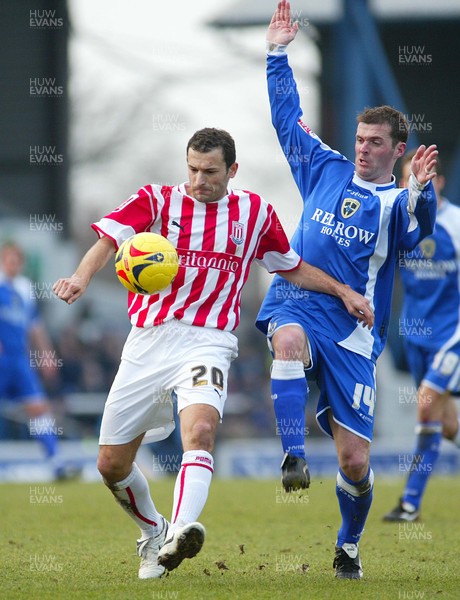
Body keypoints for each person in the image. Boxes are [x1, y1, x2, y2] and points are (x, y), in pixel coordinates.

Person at [53, 127, 373, 580]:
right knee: (110, 464)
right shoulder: (158, 200)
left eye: (210, 171)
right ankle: (153, 531)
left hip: (209, 340)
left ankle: (179, 534)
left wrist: (343, 291)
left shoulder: (255, 213)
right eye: (193, 169)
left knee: (200, 431)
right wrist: (82, 278)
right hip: (148, 339)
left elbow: (292, 267)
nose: (199, 179)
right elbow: (108, 238)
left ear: (232, 171)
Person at [255, 1, 438, 580]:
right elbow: (288, 119)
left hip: (355, 335)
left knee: (355, 462)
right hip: (300, 301)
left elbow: (417, 232)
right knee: (285, 342)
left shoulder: (396, 204)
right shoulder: (324, 167)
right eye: (359, 138)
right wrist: (277, 53)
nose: (362, 147)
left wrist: (423, 196)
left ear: (397, 150)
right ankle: (291, 456)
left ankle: (349, 545)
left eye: (375, 142)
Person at [383, 152, 460, 522]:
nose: (409, 182)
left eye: (422, 174)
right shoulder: (400, 223)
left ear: (439, 182)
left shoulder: (457, 224)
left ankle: (410, 503)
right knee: (447, 425)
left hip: (452, 335)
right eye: (405, 176)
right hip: (415, 335)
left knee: (426, 404)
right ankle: (409, 504)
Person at [0, 242, 73, 480]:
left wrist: (46, 353)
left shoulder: (24, 289)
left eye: (17, 260)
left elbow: (35, 326)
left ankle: (56, 462)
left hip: (19, 362)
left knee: (39, 409)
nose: (13, 264)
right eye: (9, 259)